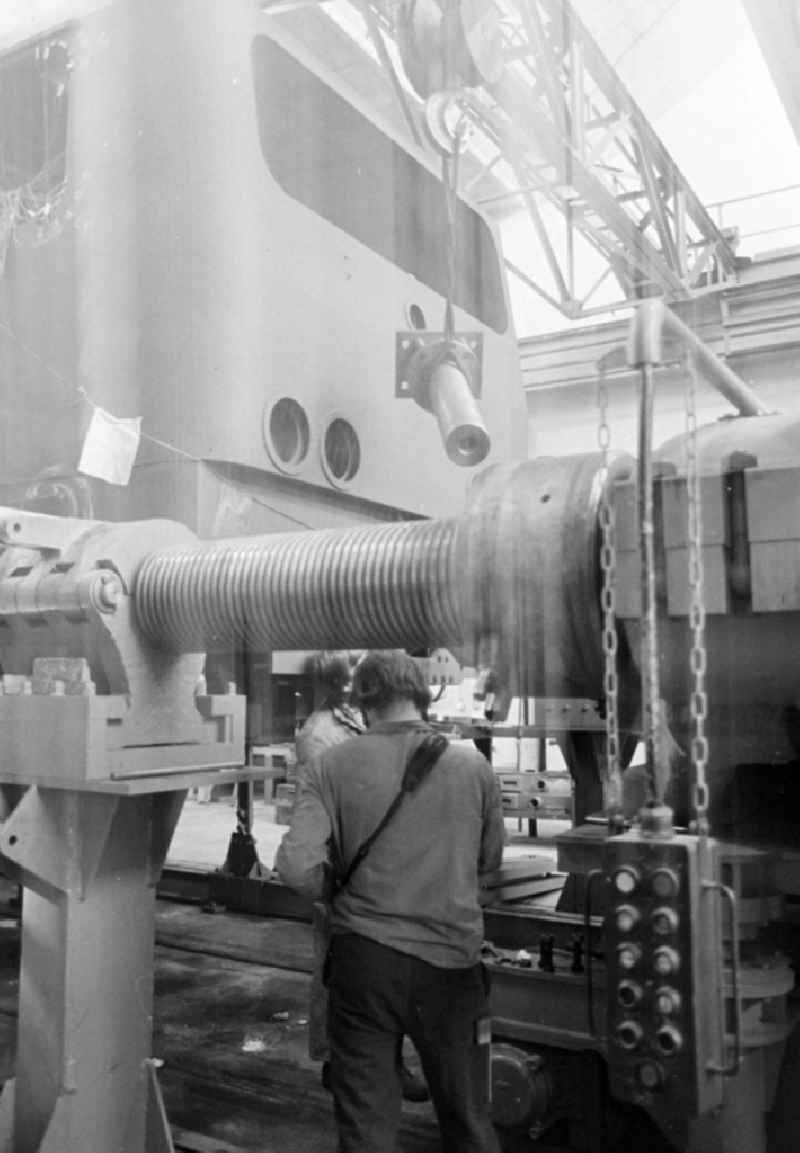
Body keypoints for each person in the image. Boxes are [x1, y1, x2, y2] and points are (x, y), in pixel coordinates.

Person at [276, 650, 504, 1153]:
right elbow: (490, 867)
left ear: (362, 702)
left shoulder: (330, 764)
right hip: (452, 968)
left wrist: (338, 896)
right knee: (470, 1123)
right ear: (422, 696)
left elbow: (295, 868)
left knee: (366, 1132)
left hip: (363, 965)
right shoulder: (472, 766)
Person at [293, 651, 427, 1102]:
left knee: (380, 974)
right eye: (349, 673)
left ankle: (386, 1061)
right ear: (336, 683)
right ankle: (339, 1062)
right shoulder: (320, 735)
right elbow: (329, 809)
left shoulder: (357, 724)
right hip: (343, 870)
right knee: (337, 973)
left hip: (381, 867)